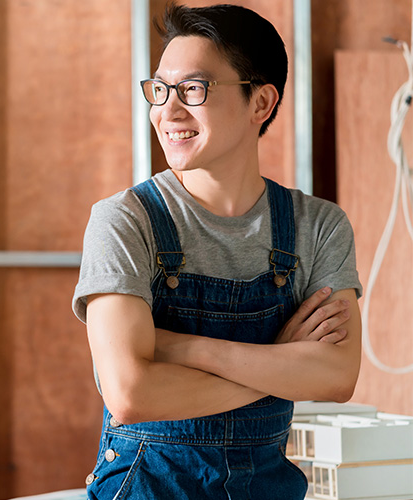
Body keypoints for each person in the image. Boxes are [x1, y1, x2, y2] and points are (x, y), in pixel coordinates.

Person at [72, 3, 362, 499]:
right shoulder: (124, 221)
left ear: (261, 103)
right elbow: (130, 394)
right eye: (160, 90)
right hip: (144, 488)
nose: (168, 110)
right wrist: (281, 361)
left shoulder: (319, 227)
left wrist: (181, 348)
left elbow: (336, 377)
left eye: (194, 89)